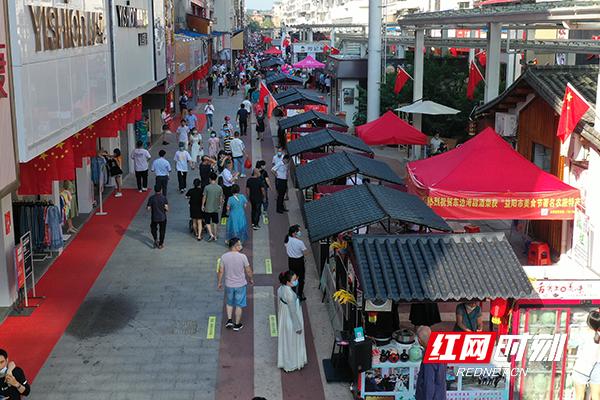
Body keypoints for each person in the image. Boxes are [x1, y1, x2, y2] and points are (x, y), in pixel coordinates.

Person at [217, 237, 254, 332]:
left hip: (229, 284)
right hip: (240, 285)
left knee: (229, 303)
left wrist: (220, 282)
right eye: (240, 244)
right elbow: (248, 270)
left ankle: (229, 320)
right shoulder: (243, 257)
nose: (241, 246)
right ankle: (237, 325)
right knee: (239, 305)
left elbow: (221, 271)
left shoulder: (224, 256)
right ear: (235, 246)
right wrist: (251, 278)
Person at [277, 270, 308, 373]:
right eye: (294, 280)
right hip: (291, 320)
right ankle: (293, 363)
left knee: (286, 340)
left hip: (284, 318)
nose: (296, 281)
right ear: (288, 282)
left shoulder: (280, 289)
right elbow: (293, 313)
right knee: (292, 341)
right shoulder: (290, 294)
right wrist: (298, 327)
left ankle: (286, 361)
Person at [573, 310, 600, 400]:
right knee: (596, 396)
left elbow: (571, 344)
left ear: (588, 321)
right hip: (597, 369)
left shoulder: (582, 333)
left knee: (579, 396)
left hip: (582, 367)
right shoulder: (598, 335)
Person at [415, 326, 447, 400]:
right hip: (440, 394)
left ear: (419, 340)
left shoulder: (429, 359)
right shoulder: (440, 348)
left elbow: (429, 384)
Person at [285, 225, 308, 301]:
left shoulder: (287, 239)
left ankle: (292, 293)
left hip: (291, 261)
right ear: (294, 233)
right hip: (299, 261)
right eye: (298, 231)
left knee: (292, 278)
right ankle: (300, 295)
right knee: (301, 279)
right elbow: (305, 252)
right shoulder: (299, 242)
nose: (299, 232)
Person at [202, 172, 223, 241]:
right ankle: (216, 235)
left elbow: (204, 197)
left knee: (207, 222)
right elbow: (221, 198)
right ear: (216, 178)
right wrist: (220, 205)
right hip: (215, 207)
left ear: (210, 179)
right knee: (215, 222)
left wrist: (202, 205)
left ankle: (211, 234)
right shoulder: (219, 188)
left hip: (208, 207)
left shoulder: (207, 187)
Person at [147, 184, 169, 249]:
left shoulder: (151, 198)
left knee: (153, 228)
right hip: (163, 217)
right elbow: (167, 209)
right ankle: (161, 244)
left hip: (154, 217)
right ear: (161, 190)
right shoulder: (164, 198)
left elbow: (148, 208)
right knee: (162, 231)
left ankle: (155, 239)